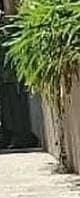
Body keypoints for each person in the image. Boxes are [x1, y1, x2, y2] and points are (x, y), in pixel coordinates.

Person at [0, 9, 37, 149]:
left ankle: (21, 136)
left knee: (16, 107)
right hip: (7, 76)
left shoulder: (10, 29)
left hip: (11, 76)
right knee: (10, 109)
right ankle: (13, 135)